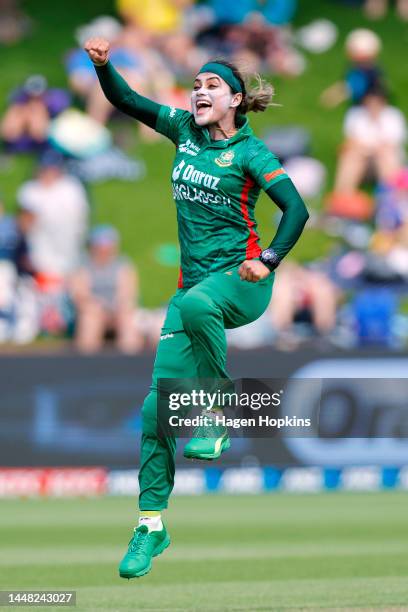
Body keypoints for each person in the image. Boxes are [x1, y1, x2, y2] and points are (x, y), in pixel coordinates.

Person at [84, 36, 309, 579]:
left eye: (212, 86)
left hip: (243, 282)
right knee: (154, 411)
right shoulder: (184, 131)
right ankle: (151, 526)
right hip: (192, 295)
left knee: (204, 300)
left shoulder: (252, 152)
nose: (199, 91)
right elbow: (128, 103)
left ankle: (215, 410)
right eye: (195, 85)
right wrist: (105, 67)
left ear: (235, 100)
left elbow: (297, 209)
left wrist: (272, 259)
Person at [17, 150, 89, 288]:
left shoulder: (71, 187)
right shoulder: (31, 190)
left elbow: (80, 217)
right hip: (41, 251)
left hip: (70, 248)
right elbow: (24, 224)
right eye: (45, 169)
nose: (48, 173)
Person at [70, 225, 143, 354]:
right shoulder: (83, 266)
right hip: (94, 310)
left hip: (117, 311)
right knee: (90, 319)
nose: (104, 250)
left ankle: (130, 360)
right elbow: (80, 294)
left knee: (127, 318)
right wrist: (96, 305)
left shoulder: (122, 265)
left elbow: (128, 292)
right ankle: (86, 359)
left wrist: (118, 305)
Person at [334, 86, 406, 193]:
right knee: (351, 156)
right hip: (362, 157)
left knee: (386, 156)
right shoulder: (356, 115)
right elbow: (351, 142)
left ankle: (391, 196)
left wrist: (371, 149)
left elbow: (391, 145)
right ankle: (342, 196)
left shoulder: (393, 116)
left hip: (383, 158)